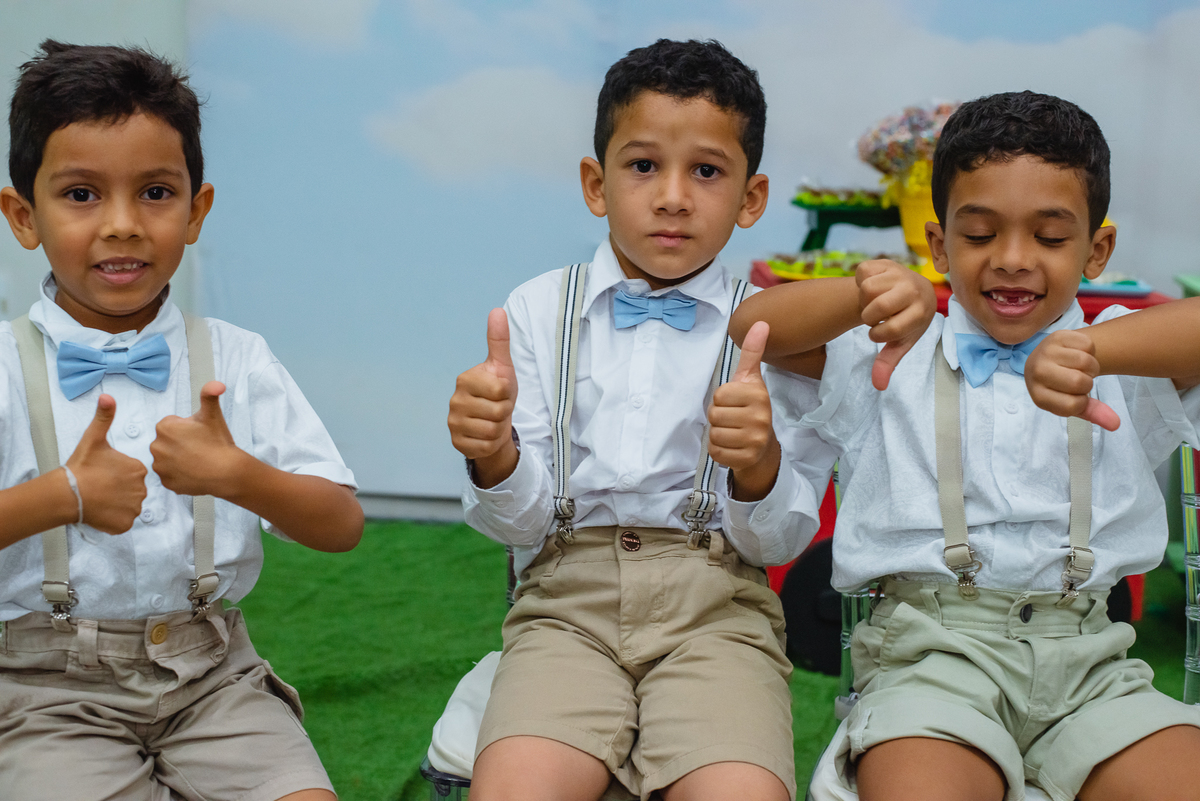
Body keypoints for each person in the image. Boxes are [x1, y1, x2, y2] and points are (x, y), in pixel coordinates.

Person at [731, 90, 1200, 801]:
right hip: (930, 657)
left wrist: (1095, 348)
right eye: (980, 235)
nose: (1013, 259)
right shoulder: (890, 351)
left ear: (1097, 249)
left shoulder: (1129, 367)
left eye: (1049, 237)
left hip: (1092, 663)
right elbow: (753, 326)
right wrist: (861, 295)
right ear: (939, 243)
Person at [446, 38, 840, 801]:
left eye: (706, 171)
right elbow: (521, 524)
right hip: (566, 600)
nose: (672, 196)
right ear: (596, 184)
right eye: (642, 166)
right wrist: (492, 452)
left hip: (720, 608)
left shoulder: (774, 329)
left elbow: (780, 540)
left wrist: (757, 463)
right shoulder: (535, 310)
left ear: (750, 198)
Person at [0, 41, 363, 801]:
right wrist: (61, 493)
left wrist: (240, 475)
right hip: (44, 690)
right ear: (22, 215)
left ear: (197, 210)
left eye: (157, 193)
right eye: (81, 194)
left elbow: (340, 523)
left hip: (214, 677)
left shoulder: (238, 356)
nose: (124, 224)